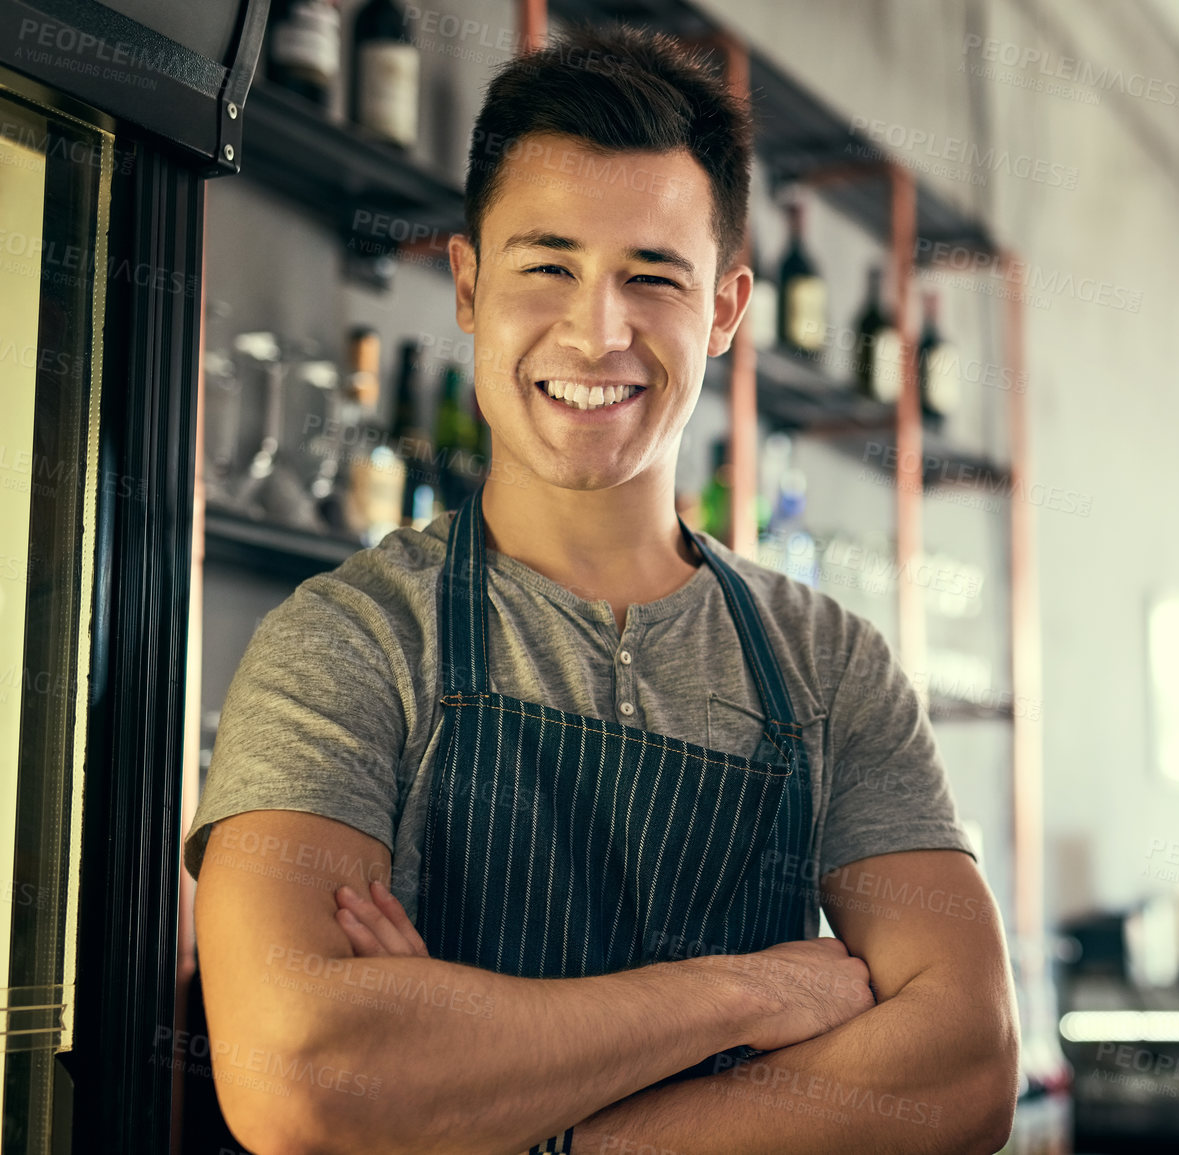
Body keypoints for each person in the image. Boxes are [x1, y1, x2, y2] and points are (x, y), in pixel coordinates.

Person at [184, 21, 1019, 1155]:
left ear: (724, 312)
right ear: (470, 288)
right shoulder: (349, 643)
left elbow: (962, 1069)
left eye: (652, 277)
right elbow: (308, 1078)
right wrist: (750, 997)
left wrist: (519, 1118)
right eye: (549, 267)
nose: (597, 329)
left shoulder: (833, 665)